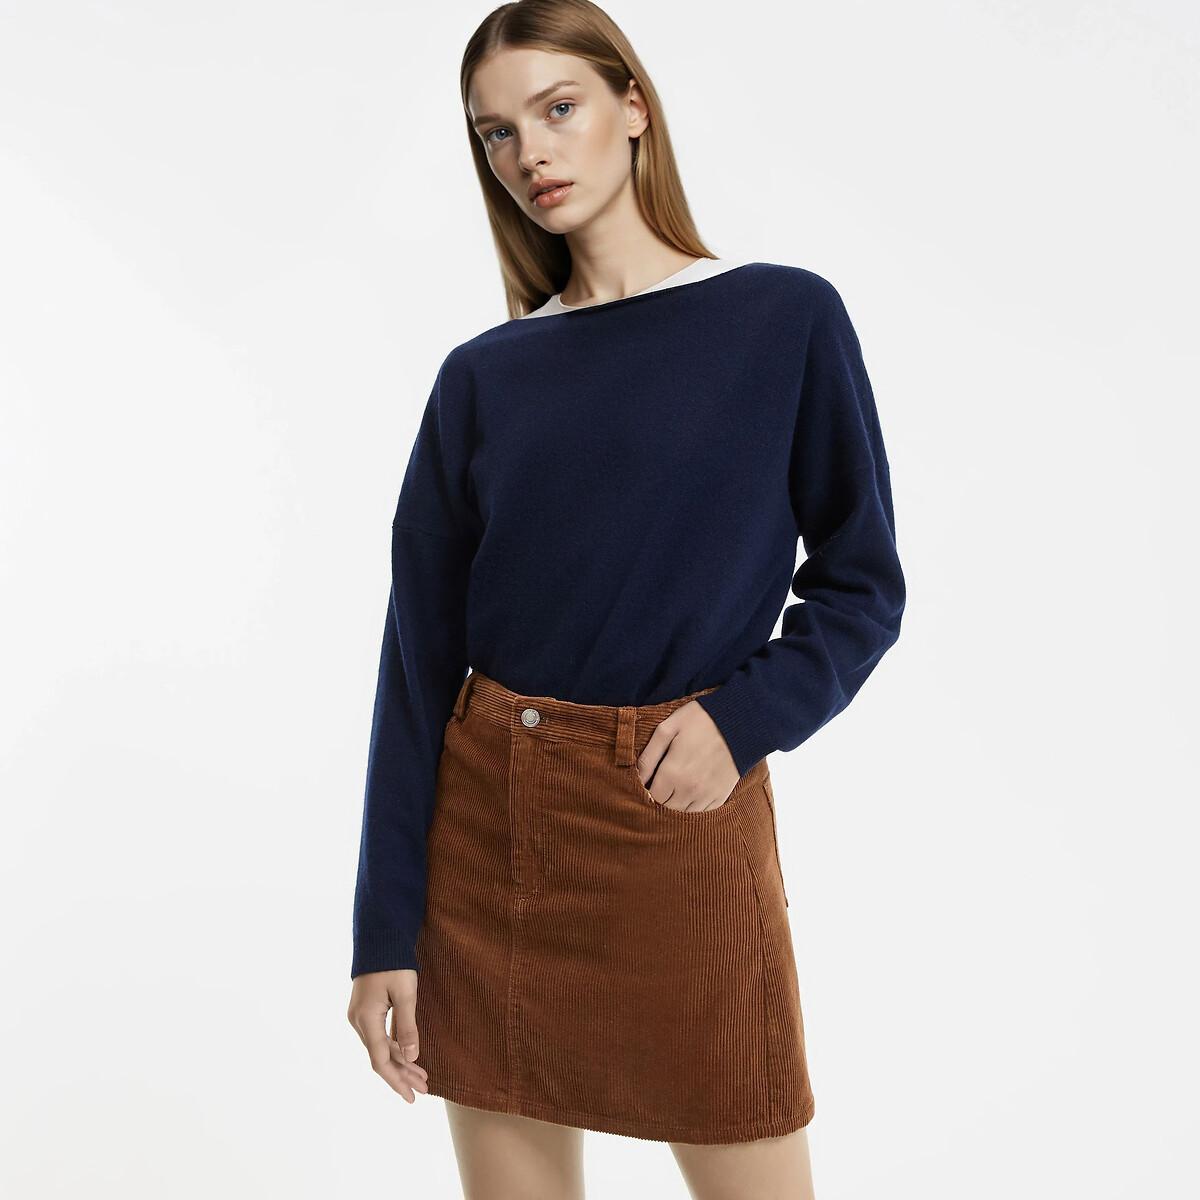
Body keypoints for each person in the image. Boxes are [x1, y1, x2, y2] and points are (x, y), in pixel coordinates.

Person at [346, 1, 906, 1195]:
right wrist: (382, 930)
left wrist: (741, 722)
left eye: (559, 109)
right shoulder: (482, 379)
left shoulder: (782, 318)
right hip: (493, 832)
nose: (531, 153)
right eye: (498, 133)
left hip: (679, 817)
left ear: (633, 107)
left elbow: (862, 584)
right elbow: (417, 667)